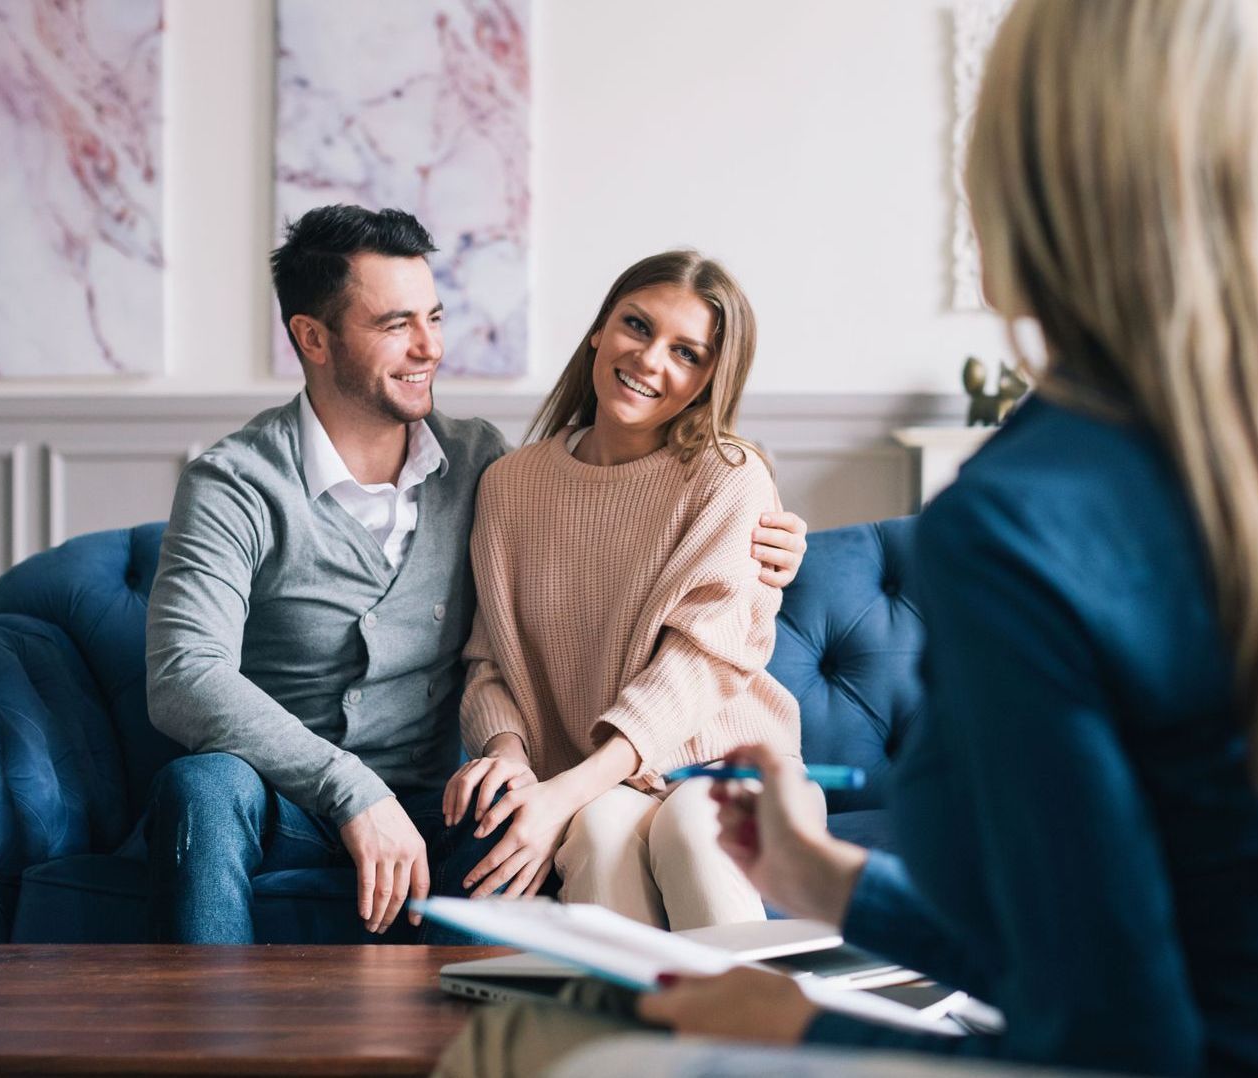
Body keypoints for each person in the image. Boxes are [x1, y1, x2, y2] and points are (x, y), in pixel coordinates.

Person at [434, 0, 1258, 1074]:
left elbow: (1112, 1029)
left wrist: (807, 1027)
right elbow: (1112, 936)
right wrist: (821, 881)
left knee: (508, 1046)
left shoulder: (1016, 518)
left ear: (1023, 182)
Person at [142, 207, 808, 943]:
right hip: (287, 800)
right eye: (396, 324)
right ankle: (211, 1013)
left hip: (454, 807)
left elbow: (636, 577)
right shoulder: (239, 482)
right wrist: (357, 788)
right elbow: (185, 674)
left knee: (564, 821)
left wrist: (771, 548)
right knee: (200, 784)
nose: (430, 347)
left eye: (433, 317)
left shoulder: (475, 464)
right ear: (313, 338)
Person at [439, 251, 801, 931]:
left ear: (710, 380)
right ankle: (629, 1008)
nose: (649, 359)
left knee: (695, 826)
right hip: (604, 784)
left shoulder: (729, 476)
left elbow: (699, 666)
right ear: (599, 330)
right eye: (637, 325)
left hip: (728, 763)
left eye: (687, 353)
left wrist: (562, 794)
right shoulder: (510, 485)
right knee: (599, 834)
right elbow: (490, 659)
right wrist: (510, 758)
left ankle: (752, 1006)